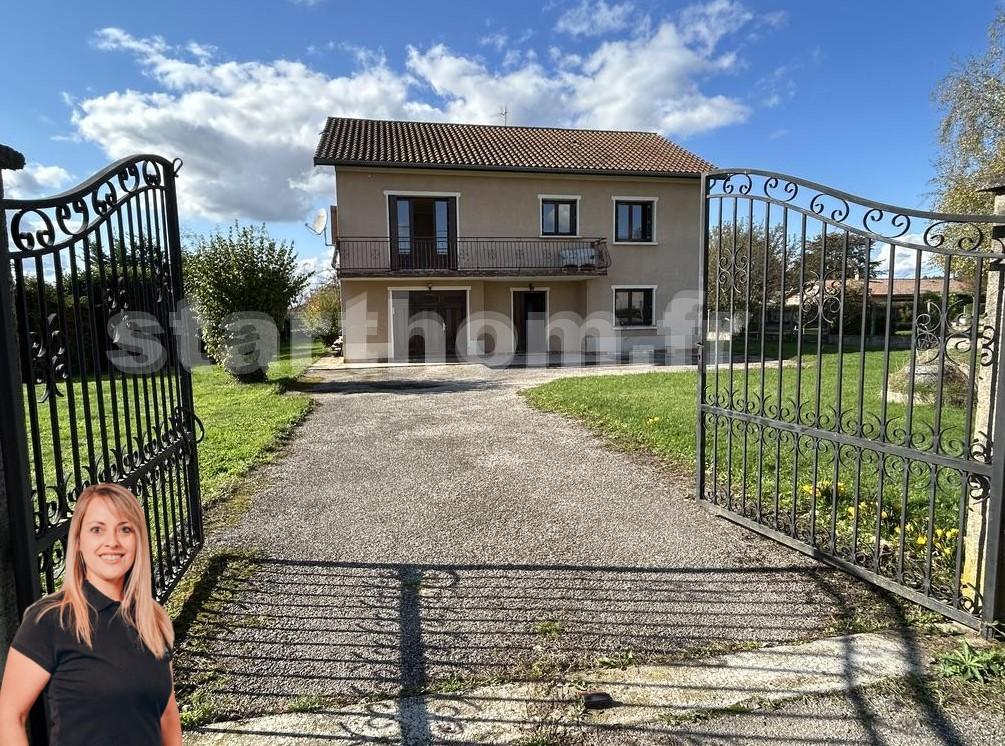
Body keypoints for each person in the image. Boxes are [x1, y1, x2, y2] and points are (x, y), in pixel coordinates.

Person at [0, 483, 182, 745]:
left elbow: (167, 717)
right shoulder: (49, 620)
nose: (112, 542)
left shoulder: (153, 619)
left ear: (138, 540)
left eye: (125, 529)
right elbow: (9, 715)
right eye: (97, 529)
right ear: (78, 541)